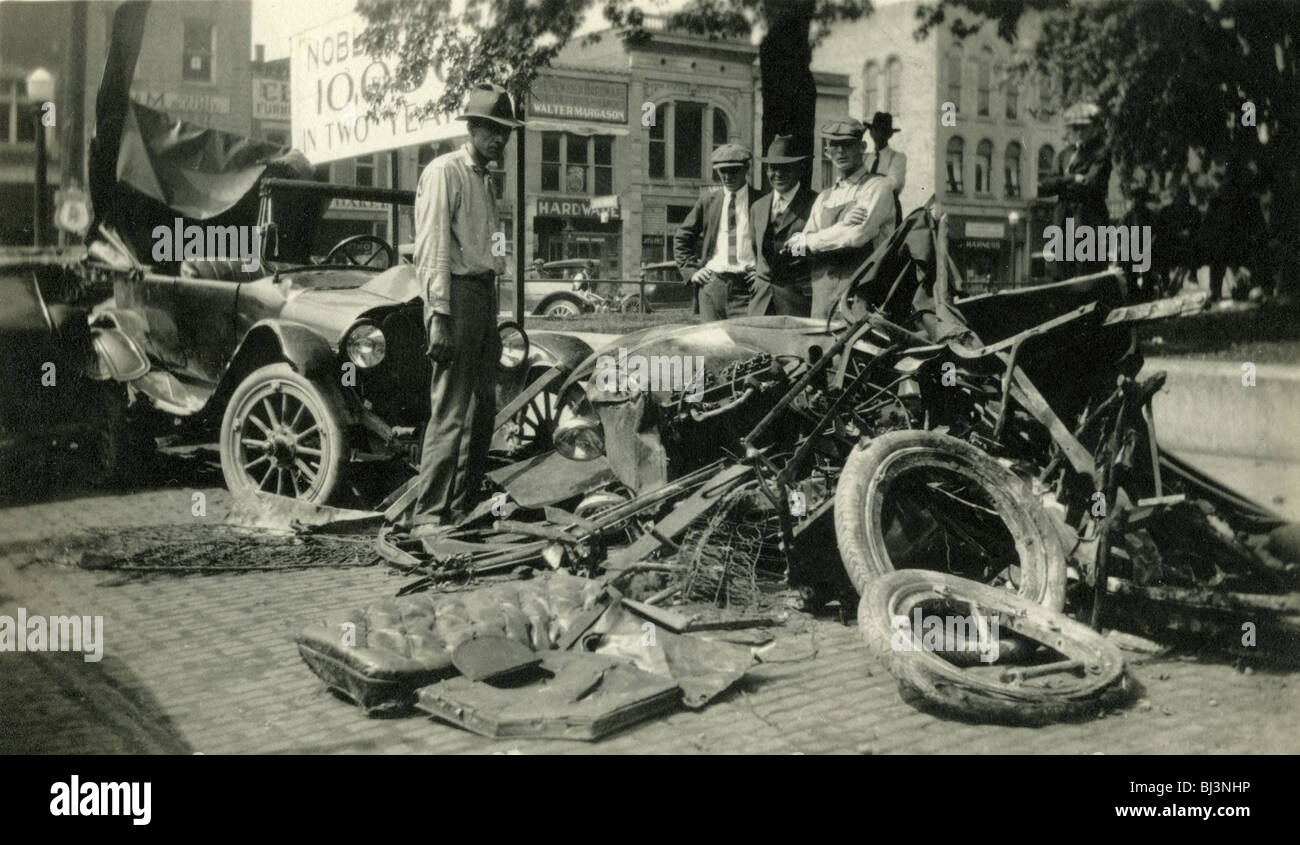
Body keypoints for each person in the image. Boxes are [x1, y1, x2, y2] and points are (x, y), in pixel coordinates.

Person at [411, 83, 522, 525]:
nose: (501, 139)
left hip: (482, 297)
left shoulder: (485, 180)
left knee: (483, 409)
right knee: (451, 410)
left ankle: (460, 506)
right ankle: (429, 513)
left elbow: (494, 247)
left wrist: (500, 292)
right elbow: (432, 246)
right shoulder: (445, 172)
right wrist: (438, 314)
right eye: (492, 130)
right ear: (472, 128)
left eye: (506, 132)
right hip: (454, 298)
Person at [791, 118, 895, 320]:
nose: (840, 151)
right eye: (833, 146)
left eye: (847, 145)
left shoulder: (877, 187)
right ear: (827, 152)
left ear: (862, 147)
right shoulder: (824, 197)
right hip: (821, 299)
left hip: (859, 296)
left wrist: (811, 241)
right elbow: (797, 247)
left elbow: (856, 236)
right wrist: (842, 226)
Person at [674, 143, 765, 321]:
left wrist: (763, 272)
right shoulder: (708, 202)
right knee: (711, 345)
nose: (727, 176)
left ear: (747, 169)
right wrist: (692, 271)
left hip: (748, 288)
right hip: (712, 286)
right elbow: (681, 238)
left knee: (745, 345)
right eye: (722, 171)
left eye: (733, 171)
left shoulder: (761, 201)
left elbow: (774, 242)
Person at [1038, 102, 1111, 279]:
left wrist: (1062, 183)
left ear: (1093, 128)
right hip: (1063, 218)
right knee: (1060, 271)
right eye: (1074, 128)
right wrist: (1072, 178)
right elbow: (1045, 186)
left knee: (1086, 271)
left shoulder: (1100, 153)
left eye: (1083, 127)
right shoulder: (1063, 155)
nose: (1079, 132)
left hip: (1087, 218)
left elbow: (1090, 185)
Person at [747, 135, 817, 316]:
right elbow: (758, 252)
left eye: (786, 168)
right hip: (760, 303)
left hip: (797, 302)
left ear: (800, 169)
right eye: (773, 167)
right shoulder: (758, 207)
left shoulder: (815, 203)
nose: (778, 174)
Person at [864, 112, 906, 225]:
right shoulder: (865, 158)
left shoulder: (898, 157)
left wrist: (867, 179)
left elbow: (893, 182)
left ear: (889, 135)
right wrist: (880, 177)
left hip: (889, 206)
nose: (878, 134)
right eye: (875, 130)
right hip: (866, 205)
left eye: (883, 131)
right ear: (871, 133)